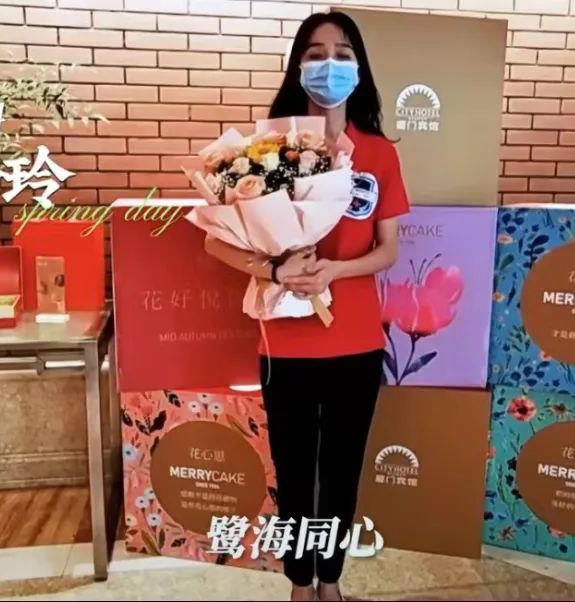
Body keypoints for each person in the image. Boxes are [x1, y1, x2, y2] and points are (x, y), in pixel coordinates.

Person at [204, 11, 409, 602]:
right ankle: (299, 582)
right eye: (316, 53)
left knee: (342, 471)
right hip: (284, 341)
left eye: (342, 54)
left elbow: (388, 249)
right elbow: (217, 241)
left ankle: (332, 579)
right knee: (294, 470)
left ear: (359, 68)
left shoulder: (379, 153)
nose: (329, 65)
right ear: (298, 66)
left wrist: (334, 270)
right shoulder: (267, 150)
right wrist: (275, 268)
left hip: (357, 342)